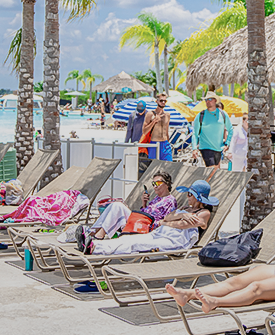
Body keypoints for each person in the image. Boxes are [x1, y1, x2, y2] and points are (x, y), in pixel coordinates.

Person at [83, 179, 216, 256]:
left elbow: (182, 225)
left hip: (174, 241)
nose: (187, 197)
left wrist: (165, 223)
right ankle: (93, 244)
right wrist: (182, 215)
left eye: (190, 194)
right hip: (159, 233)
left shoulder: (204, 212)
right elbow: (169, 216)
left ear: (198, 198)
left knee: (135, 244)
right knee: (128, 239)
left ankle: (95, 249)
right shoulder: (186, 209)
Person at [76, 171, 177, 249]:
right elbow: (146, 213)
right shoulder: (156, 198)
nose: (155, 186)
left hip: (147, 227)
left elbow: (167, 221)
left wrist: (154, 226)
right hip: (140, 221)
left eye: (158, 182)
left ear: (167, 184)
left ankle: (96, 237)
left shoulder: (170, 200)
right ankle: (93, 234)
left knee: (118, 206)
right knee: (115, 205)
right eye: (153, 183)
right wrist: (144, 203)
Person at [191, 91, 232, 166]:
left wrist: (227, 144)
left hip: (219, 148)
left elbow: (231, 130)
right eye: (206, 100)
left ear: (215, 100)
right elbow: (195, 134)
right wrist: (194, 148)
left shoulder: (223, 114)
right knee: (212, 169)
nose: (207, 101)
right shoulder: (201, 115)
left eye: (210, 99)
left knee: (216, 170)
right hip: (205, 147)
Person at [144, 93, 172, 161]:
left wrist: (168, 143)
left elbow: (166, 131)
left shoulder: (167, 115)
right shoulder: (150, 114)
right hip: (154, 144)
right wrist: (154, 122)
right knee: (154, 166)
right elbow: (144, 131)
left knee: (168, 165)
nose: (163, 102)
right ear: (157, 101)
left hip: (165, 144)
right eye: (161, 100)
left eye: (165, 101)